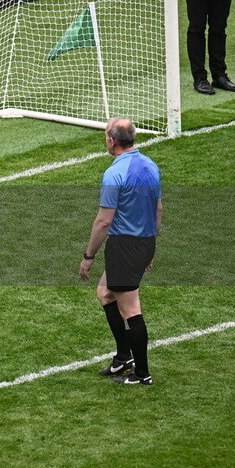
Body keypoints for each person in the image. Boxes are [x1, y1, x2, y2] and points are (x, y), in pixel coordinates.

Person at [79, 118, 163, 386]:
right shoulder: (150, 165)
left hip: (124, 246)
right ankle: (124, 357)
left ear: (111, 141)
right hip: (143, 242)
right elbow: (158, 209)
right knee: (105, 294)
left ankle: (142, 373)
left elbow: (104, 221)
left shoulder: (114, 174)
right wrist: (150, 246)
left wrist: (88, 256)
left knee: (131, 309)